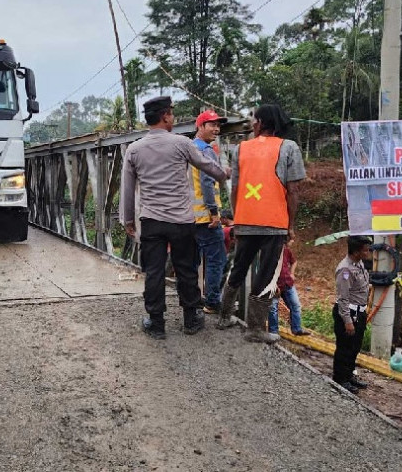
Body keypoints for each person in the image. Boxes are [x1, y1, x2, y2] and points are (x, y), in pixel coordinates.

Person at [121, 96, 228, 339]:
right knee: (186, 269)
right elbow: (209, 168)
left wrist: (129, 220)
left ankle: (156, 322)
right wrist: (227, 174)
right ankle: (191, 318)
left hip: (152, 222)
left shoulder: (134, 149)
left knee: (155, 271)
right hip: (181, 221)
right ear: (166, 116)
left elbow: (128, 189)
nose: (173, 118)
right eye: (172, 114)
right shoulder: (182, 143)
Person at [217, 104, 306, 343]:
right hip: (274, 222)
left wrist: (238, 216)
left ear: (263, 122)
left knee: (238, 267)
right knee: (266, 274)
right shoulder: (289, 147)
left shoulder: (241, 149)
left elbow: (235, 188)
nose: (253, 123)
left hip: (246, 220)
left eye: (255, 119)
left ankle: (224, 315)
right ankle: (255, 329)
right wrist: (291, 224)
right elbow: (293, 190)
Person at [191, 110, 229, 314]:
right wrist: (214, 212)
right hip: (206, 217)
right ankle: (212, 302)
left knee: (192, 261)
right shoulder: (206, 150)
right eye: (211, 125)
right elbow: (207, 181)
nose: (216, 129)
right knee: (218, 260)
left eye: (218, 125)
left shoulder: (186, 148)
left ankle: (192, 299)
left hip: (188, 217)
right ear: (200, 126)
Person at [333, 235, 372, 393]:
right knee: (345, 347)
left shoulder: (359, 263)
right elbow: (343, 298)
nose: (368, 252)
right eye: (365, 249)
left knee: (355, 347)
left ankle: (349, 375)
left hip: (359, 311)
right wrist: (347, 321)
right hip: (348, 312)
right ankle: (340, 379)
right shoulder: (346, 269)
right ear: (356, 252)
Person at [267, 237, 310, 336]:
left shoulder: (286, 251)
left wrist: (292, 273)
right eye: (291, 240)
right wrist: (273, 284)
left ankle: (297, 329)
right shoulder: (270, 252)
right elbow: (267, 269)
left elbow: (294, 261)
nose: (293, 242)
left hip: (287, 283)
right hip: (275, 285)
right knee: (273, 308)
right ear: (286, 240)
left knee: (295, 305)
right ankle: (273, 332)